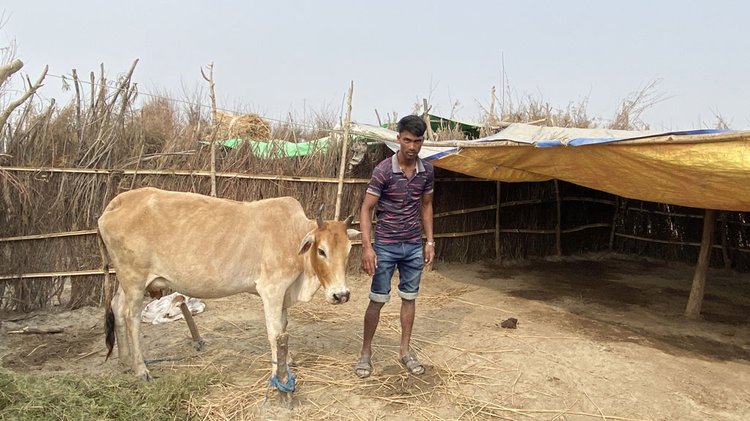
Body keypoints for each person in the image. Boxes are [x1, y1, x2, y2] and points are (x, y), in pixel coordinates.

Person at [355, 115, 435, 378]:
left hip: (412, 245)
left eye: (417, 141)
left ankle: (405, 351)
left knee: (409, 298)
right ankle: (365, 353)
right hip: (386, 246)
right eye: (407, 140)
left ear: (422, 141)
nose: (412, 147)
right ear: (398, 139)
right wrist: (368, 247)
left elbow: (426, 206)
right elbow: (366, 209)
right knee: (377, 300)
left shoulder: (427, 171)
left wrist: (429, 241)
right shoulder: (383, 171)